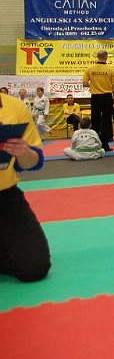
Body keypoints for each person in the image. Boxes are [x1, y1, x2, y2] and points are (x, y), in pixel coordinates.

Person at [0, 89, 50, 282]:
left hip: (5, 195)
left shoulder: (13, 106)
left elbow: (35, 162)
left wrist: (23, 152)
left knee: (34, 267)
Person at [82, 50, 114, 152]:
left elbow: (84, 84)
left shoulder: (90, 69)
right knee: (107, 121)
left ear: (97, 57)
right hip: (107, 97)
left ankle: (94, 143)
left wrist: (93, 85)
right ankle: (105, 144)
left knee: (95, 121)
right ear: (106, 57)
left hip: (95, 97)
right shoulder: (110, 69)